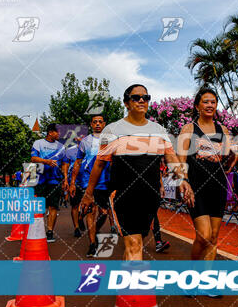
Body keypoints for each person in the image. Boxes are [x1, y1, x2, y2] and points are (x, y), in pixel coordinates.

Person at [81, 84, 194, 260]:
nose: (142, 100)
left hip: (150, 196)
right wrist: (88, 194)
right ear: (126, 103)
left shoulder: (159, 130)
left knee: (135, 244)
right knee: (134, 246)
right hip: (124, 195)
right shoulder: (112, 130)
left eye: (145, 97)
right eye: (136, 97)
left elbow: (171, 158)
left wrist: (183, 180)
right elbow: (99, 164)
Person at [177, 88, 236, 265]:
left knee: (214, 237)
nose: (210, 105)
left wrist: (234, 154)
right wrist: (184, 180)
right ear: (197, 106)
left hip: (218, 186)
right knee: (204, 236)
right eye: (206, 102)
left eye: (213, 102)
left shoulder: (223, 129)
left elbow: (227, 155)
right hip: (196, 187)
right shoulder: (189, 128)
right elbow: (180, 159)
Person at [71, 115, 116, 256]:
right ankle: (92, 244)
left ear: (104, 124)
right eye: (94, 122)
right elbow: (78, 162)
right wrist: (72, 182)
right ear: (91, 124)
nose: (97, 124)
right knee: (92, 211)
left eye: (100, 122)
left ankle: (90, 225)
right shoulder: (85, 142)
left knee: (103, 212)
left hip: (106, 182)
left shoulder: (111, 140)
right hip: (88, 182)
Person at [31, 123, 69, 243]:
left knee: (53, 206)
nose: (59, 134)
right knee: (40, 206)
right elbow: (33, 158)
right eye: (57, 132)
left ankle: (50, 232)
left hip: (55, 180)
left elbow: (64, 164)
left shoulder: (62, 147)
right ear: (50, 132)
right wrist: (46, 161)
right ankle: (38, 230)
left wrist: (66, 179)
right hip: (40, 179)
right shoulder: (38, 143)